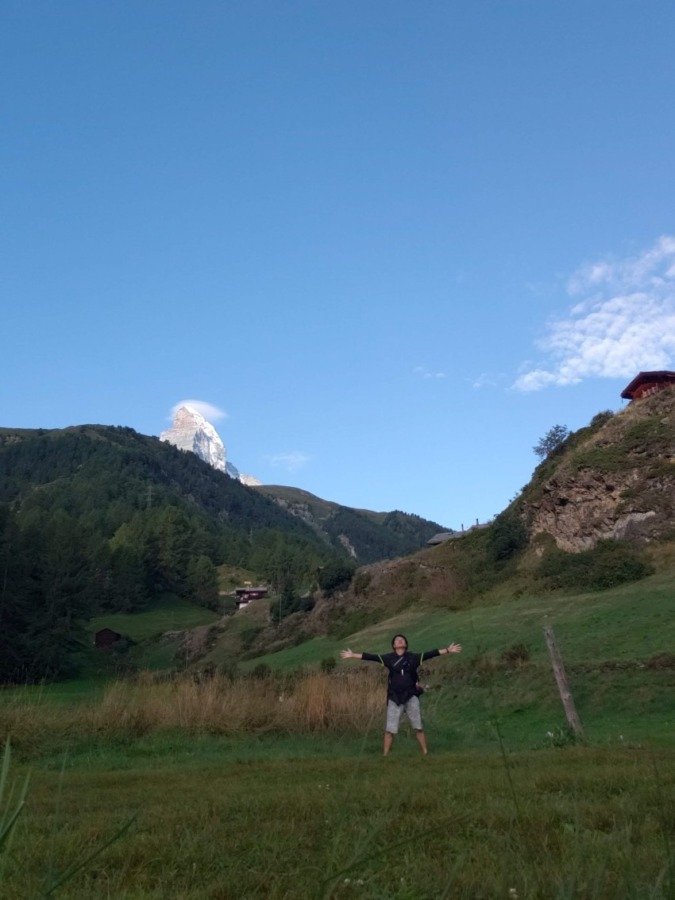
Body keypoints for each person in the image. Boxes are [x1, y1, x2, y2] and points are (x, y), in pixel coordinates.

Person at [340, 634, 462, 756]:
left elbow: (431, 654)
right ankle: (385, 756)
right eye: (397, 640)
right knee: (389, 730)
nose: (399, 640)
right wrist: (352, 655)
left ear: (405, 644)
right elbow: (372, 657)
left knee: (418, 727)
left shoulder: (414, 657)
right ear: (394, 646)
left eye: (402, 640)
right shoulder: (388, 658)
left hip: (411, 696)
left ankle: (425, 753)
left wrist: (447, 650)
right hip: (394, 697)